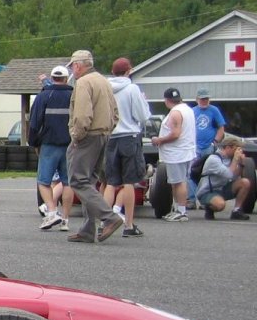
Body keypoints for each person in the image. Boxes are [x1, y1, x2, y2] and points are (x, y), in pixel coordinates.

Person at [65, 49, 122, 243]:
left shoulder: (83, 83)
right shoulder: (103, 80)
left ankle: (110, 217)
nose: (73, 70)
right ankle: (88, 229)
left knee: (78, 181)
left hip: (87, 136)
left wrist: (76, 135)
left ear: (78, 66)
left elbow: (82, 115)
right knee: (90, 182)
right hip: (104, 134)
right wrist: (107, 129)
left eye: (73, 66)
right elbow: (115, 113)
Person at [103, 58, 149, 237]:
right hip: (129, 136)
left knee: (111, 182)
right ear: (128, 71)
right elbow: (142, 115)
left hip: (111, 136)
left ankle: (104, 221)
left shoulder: (106, 88)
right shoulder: (132, 89)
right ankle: (128, 224)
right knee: (129, 181)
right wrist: (144, 103)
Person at [30, 66, 75, 232]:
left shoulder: (43, 96)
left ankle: (51, 211)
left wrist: (34, 143)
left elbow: (34, 122)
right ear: (66, 78)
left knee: (43, 181)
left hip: (48, 144)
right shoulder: (73, 95)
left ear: (52, 77)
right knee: (67, 182)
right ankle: (66, 219)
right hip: (70, 145)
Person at [153, 87, 198, 221]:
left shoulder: (175, 113)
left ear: (167, 100)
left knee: (179, 182)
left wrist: (159, 140)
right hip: (184, 150)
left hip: (177, 152)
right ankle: (177, 208)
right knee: (176, 181)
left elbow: (175, 134)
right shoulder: (187, 109)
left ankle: (181, 211)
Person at [197, 134, 251, 221]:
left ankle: (236, 211)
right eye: (236, 149)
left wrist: (241, 164)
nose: (238, 152)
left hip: (223, 188)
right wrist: (235, 160)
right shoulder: (214, 159)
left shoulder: (230, 159)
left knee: (245, 182)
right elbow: (228, 174)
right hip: (208, 192)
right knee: (220, 205)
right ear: (228, 147)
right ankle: (210, 207)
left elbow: (233, 177)